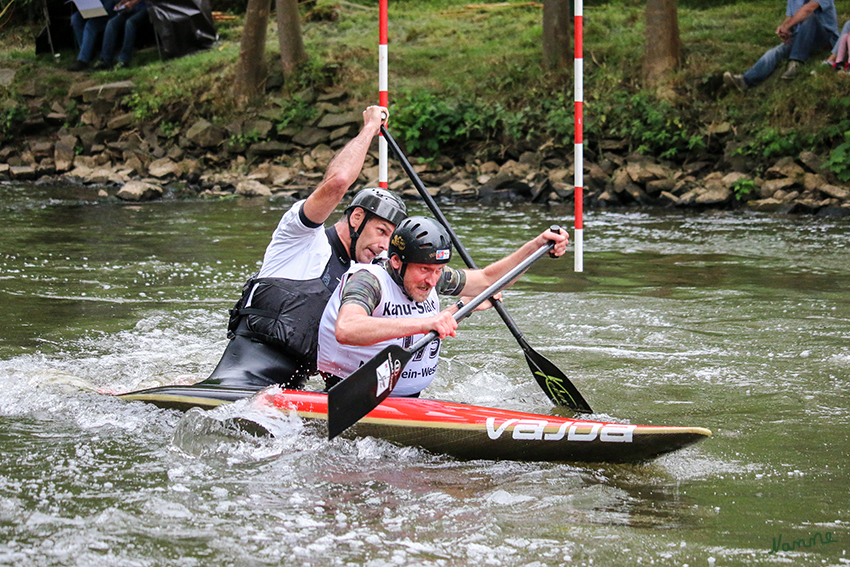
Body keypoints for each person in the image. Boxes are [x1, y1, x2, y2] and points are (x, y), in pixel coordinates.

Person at [198, 106, 406, 392]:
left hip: (297, 392)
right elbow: (338, 183)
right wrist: (370, 127)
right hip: (241, 380)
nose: (384, 246)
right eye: (381, 231)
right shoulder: (301, 237)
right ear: (357, 218)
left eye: (391, 237)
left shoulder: (366, 278)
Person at [317, 216, 569, 397]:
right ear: (396, 261)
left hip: (410, 399)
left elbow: (487, 281)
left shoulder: (431, 277)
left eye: (438, 270)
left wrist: (537, 245)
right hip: (348, 395)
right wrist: (428, 321)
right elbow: (347, 328)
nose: (432, 280)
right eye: (425, 270)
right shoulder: (368, 280)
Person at [723, 0, 839, 90]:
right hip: (800, 37)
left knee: (810, 18)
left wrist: (788, 25)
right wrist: (785, 28)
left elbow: (808, 10)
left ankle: (796, 63)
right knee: (775, 51)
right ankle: (745, 81)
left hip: (825, 38)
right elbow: (790, 17)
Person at [93, 0, 150, 70]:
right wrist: (121, 4)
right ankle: (105, 59)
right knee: (112, 23)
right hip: (131, 7)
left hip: (147, 7)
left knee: (130, 23)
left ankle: (124, 60)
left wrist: (132, 3)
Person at [68, 0, 117, 72]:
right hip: (93, 5)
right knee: (75, 19)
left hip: (109, 6)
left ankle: (83, 60)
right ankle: (87, 52)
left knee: (91, 25)